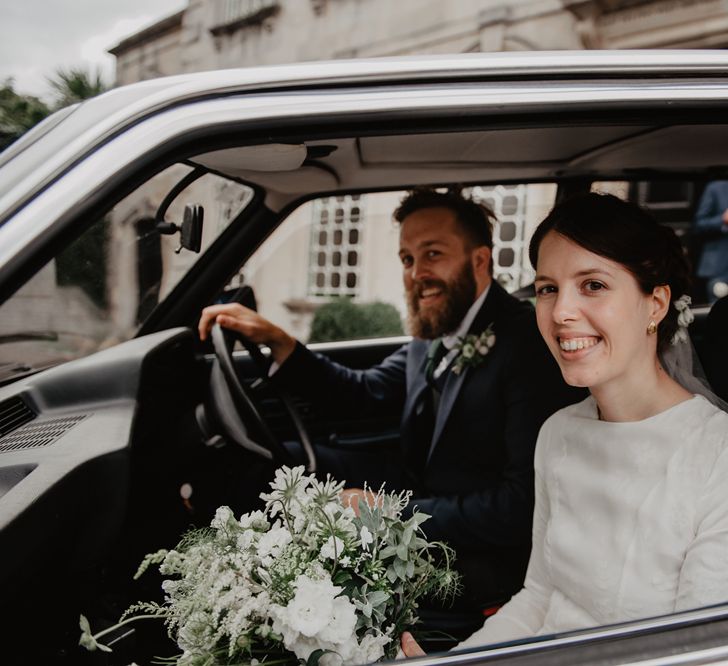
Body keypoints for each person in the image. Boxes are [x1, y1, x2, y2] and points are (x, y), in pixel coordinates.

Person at [198, 188, 582, 618]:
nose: (417, 273)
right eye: (407, 259)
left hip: (475, 550)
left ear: (479, 261)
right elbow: (365, 392)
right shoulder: (436, 328)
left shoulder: (527, 344)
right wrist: (279, 341)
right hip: (420, 488)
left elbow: (519, 506)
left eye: (432, 254)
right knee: (278, 467)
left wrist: (391, 513)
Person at [402, 192, 728, 657]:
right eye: (547, 288)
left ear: (655, 304)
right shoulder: (557, 432)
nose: (560, 313)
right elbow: (538, 599)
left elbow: (697, 654)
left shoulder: (718, 459)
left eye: (593, 285)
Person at [693, 180, 728, 302]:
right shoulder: (716, 188)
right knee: (720, 312)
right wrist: (723, 220)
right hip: (721, 267)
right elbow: (698, 225)